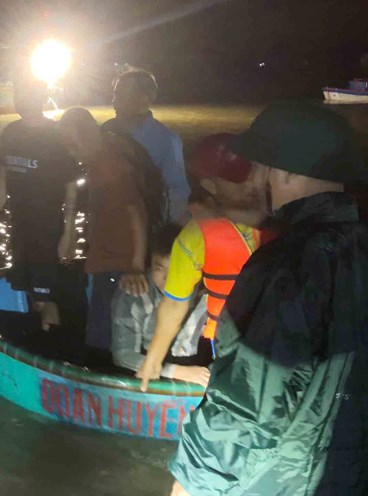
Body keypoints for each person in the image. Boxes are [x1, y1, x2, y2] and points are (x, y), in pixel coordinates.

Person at [169, 102, 368, 496]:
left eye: (258, 165)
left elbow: (246, 405)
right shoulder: (357, 245)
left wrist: (189, 485)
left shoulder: (287, 265)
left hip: (281, 479)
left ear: (287, 172)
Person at [136, 133, 267, 391]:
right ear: (210, 184)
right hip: (235, 345)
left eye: (252, 171)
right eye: (237, 177)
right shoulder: (196, 237)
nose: (250, 181)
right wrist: (154, 356)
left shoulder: (290, 218)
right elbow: (174, 303)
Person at [0, 78, 81, 330]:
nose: (20, 101)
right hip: (20, 228)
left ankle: (57, 352)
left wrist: (69, 232)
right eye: (18, 95)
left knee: (47, 300)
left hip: (47, 230)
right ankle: (39, 340)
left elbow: (71, 186)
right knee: (31, 293)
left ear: (41, 99)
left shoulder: (56, 135)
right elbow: (3, 179)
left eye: (27, 95)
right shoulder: (11, 132)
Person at [58, 107, 148, 358]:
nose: (70, 151)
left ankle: (102, 381)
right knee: (104, 333)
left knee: (103, 339)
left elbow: (136, 213)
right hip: (105, 259)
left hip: (117, 265)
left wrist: (136, 266)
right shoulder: (106, 155)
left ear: (87, 136)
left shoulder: (110, 164)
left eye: (72, 144)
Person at [110, 224, 211, 387]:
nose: (167, 279)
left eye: (175, 271)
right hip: (149, 377)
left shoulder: (206, 288)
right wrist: (179, 372)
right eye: (159, 269)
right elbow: (123, 356)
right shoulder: (135, 293)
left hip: (197, 368)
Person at [102, 68, 191, 223]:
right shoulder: (106, 130)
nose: (113, 101)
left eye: (120, 95)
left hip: (147, 224)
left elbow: (177, 191)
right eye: (115, 94)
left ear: (143, 99)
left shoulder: (167, 140)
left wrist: (168, 231)